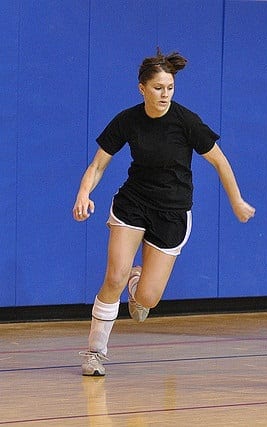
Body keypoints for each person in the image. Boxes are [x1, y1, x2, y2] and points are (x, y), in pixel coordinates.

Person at [73, 48, 256, 376]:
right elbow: (99, 164)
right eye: (158, 88)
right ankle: (94, 353)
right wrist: (84, 192)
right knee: (112, 277)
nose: (165, 94)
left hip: (172, 212)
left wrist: (237, 201)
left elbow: (220, 161)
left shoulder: (185, 121)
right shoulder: (127, 120)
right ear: (142, 88)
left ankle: (136, 280)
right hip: (133, 203)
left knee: (149, 299)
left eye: (170, 88)